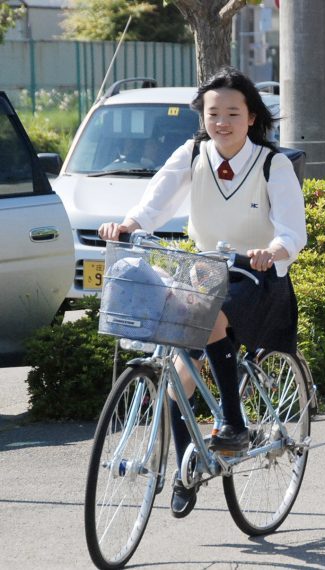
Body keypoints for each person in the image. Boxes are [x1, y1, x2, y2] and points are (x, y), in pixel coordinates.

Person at [98, 66, 306, 516]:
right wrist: (129, 225)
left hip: (257, 276)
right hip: (205, 269)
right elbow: (156, 201)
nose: (222, 122)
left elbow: (294, 231)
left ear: (251, 117)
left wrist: (274, 249)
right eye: (213, 113)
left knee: (207, 316)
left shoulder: (274, 164)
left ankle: (231, 420)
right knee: (178, 378)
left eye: (233, 113)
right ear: (203, 117)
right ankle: (185, 470)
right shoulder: (193, 153)